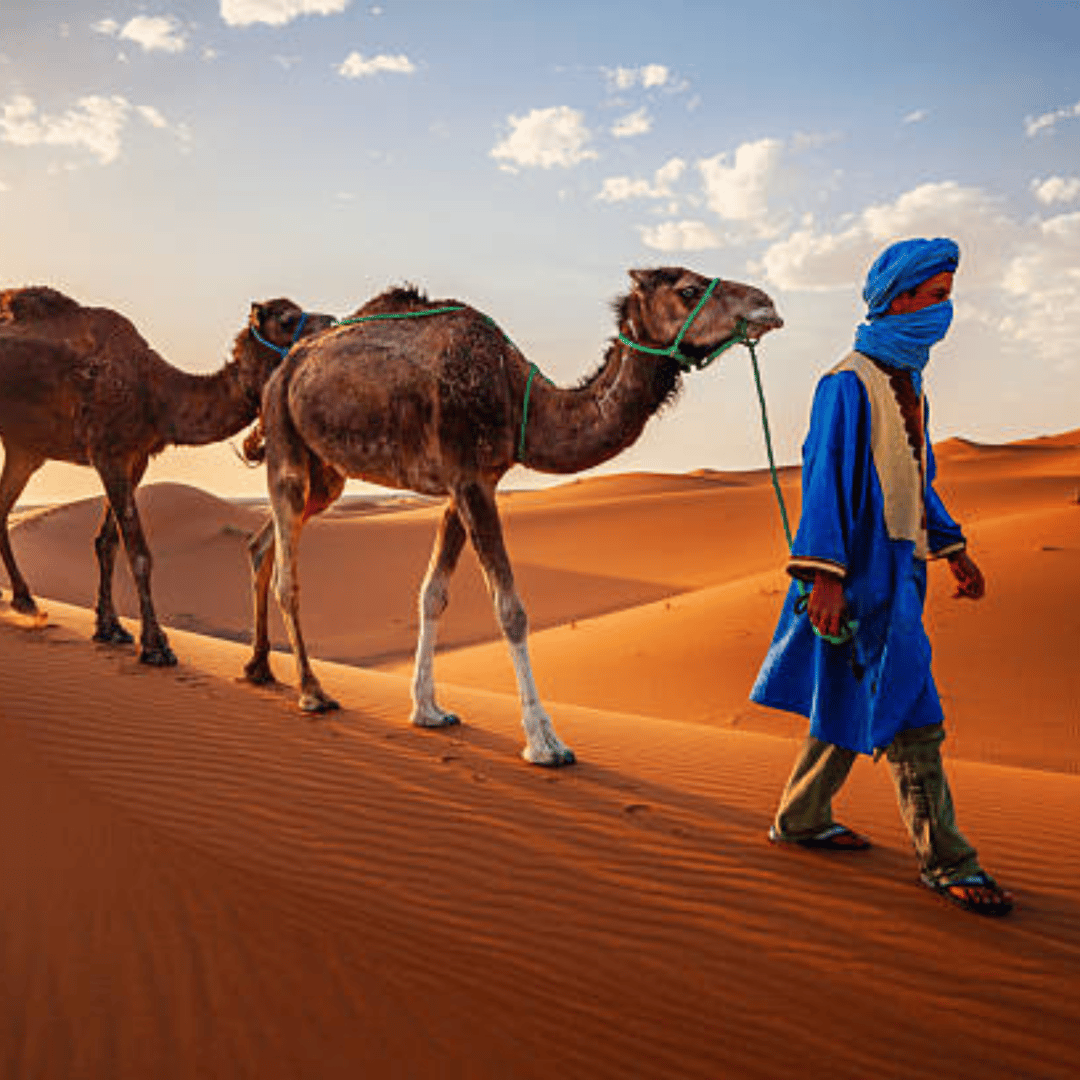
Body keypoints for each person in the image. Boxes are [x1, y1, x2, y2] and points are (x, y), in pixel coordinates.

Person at [750, 237, 1013, 917]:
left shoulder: (906, 382)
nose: (944, 312)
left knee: (846, 699)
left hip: (898, 572)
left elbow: (916, 480)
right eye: (937, 297)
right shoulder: (847, 382)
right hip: (859, 575)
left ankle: (800, 819)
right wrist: (828, 581)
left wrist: (952, 550)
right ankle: (948, 860)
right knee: (914, 716)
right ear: (900, 299)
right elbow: (826, 482)